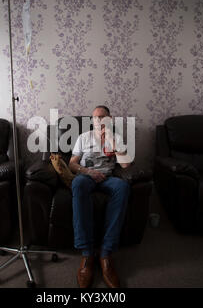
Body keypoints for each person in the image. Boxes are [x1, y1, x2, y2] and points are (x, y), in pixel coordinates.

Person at [68, 105, 131, 288]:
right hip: (87, 177)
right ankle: (87, 254)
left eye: (102, 117)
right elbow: (72, 164)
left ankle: (106, 253)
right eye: (95, 118)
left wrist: (111, 138)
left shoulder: (116, 138)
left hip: (108, 178)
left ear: (109, 119)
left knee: (123, 186)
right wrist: (87, 171)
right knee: (77, 183)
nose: (99, 120)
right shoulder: (83, 137)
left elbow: (126, 165)